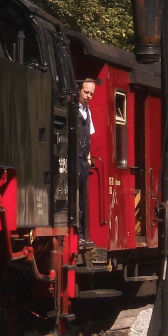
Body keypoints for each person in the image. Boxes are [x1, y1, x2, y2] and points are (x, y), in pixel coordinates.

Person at [75, 78, 98, 236]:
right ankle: (77, 231)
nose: (89, 96)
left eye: (92, 93)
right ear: (79, 90)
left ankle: (82, 233)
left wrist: (88, 158)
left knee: (83, 197)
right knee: (75, 196)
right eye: (86, 92)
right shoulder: (73, 108)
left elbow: (88, 136)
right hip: (74, 158)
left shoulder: (87, 111)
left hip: (84, 159)